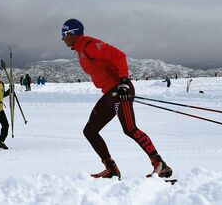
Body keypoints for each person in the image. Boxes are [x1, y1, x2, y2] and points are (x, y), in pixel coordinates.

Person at [61, 18, 172, 179]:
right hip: (109, 94)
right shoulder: (80, 50)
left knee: (130, 128)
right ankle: (111, 169)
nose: (62, 38)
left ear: (73, 33)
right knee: (90, 131)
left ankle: (160, 164)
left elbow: (119, 56)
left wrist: (124, 82)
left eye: (64, 34)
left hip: (120, 90)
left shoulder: (90, 45)